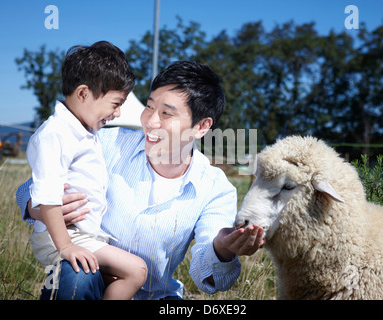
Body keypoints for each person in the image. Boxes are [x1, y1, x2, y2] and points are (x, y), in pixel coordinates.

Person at [17, 60, 263, 300]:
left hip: (156, 294)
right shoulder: (105, 143)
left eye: (166, 113)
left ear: (201, 126)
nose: (150, 121)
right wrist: (36, 206)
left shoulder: (216, 188)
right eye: (149, 107)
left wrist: (222, 249)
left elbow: (206, 279)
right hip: (89, 276)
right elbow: (29, 187)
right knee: (76, 276)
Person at [25, 41, 147, 300]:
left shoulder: (83, 131)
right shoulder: (55, 134)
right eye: (115, 103)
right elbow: (46, 195)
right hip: (65, 237)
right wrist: (67, 246)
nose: (118, 113)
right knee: (136, 271)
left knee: (131, 271)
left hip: (82, 235)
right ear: (83, 94)